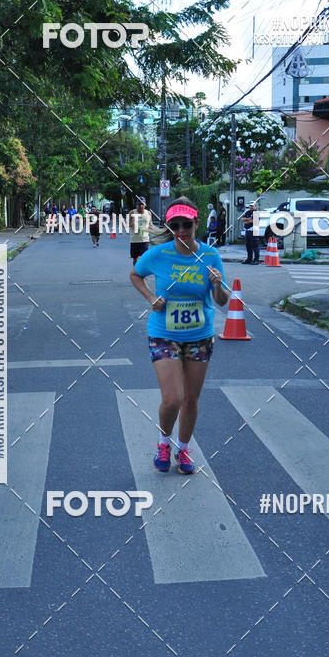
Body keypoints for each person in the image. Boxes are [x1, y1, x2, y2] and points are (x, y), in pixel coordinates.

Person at [130, 197, 230, 474]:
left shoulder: (210, 255)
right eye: (175, 226)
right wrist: (151, 298)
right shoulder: (158, 254)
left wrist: (218, 285)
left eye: (186, 224)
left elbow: (222, 300)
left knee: (191, 399)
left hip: (200, 336)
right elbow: (135, 275)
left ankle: (183, 450)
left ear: (197, 223)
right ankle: (164, 443)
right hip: (164, 334)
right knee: (172, 398)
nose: (181, 230)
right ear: (169, 227)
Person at [127, 196, 152, 264]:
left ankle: (140, 270)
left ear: (145, 205)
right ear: (136, 205)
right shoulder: (132, 212)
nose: (141, 206)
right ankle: (136, 269)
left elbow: (150, 224)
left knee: (143, 258)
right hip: (134, 240)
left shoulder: (148, 213)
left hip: (145, 239)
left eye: (142, 204)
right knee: (135, 258)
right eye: (139, 204)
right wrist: (131, 224)